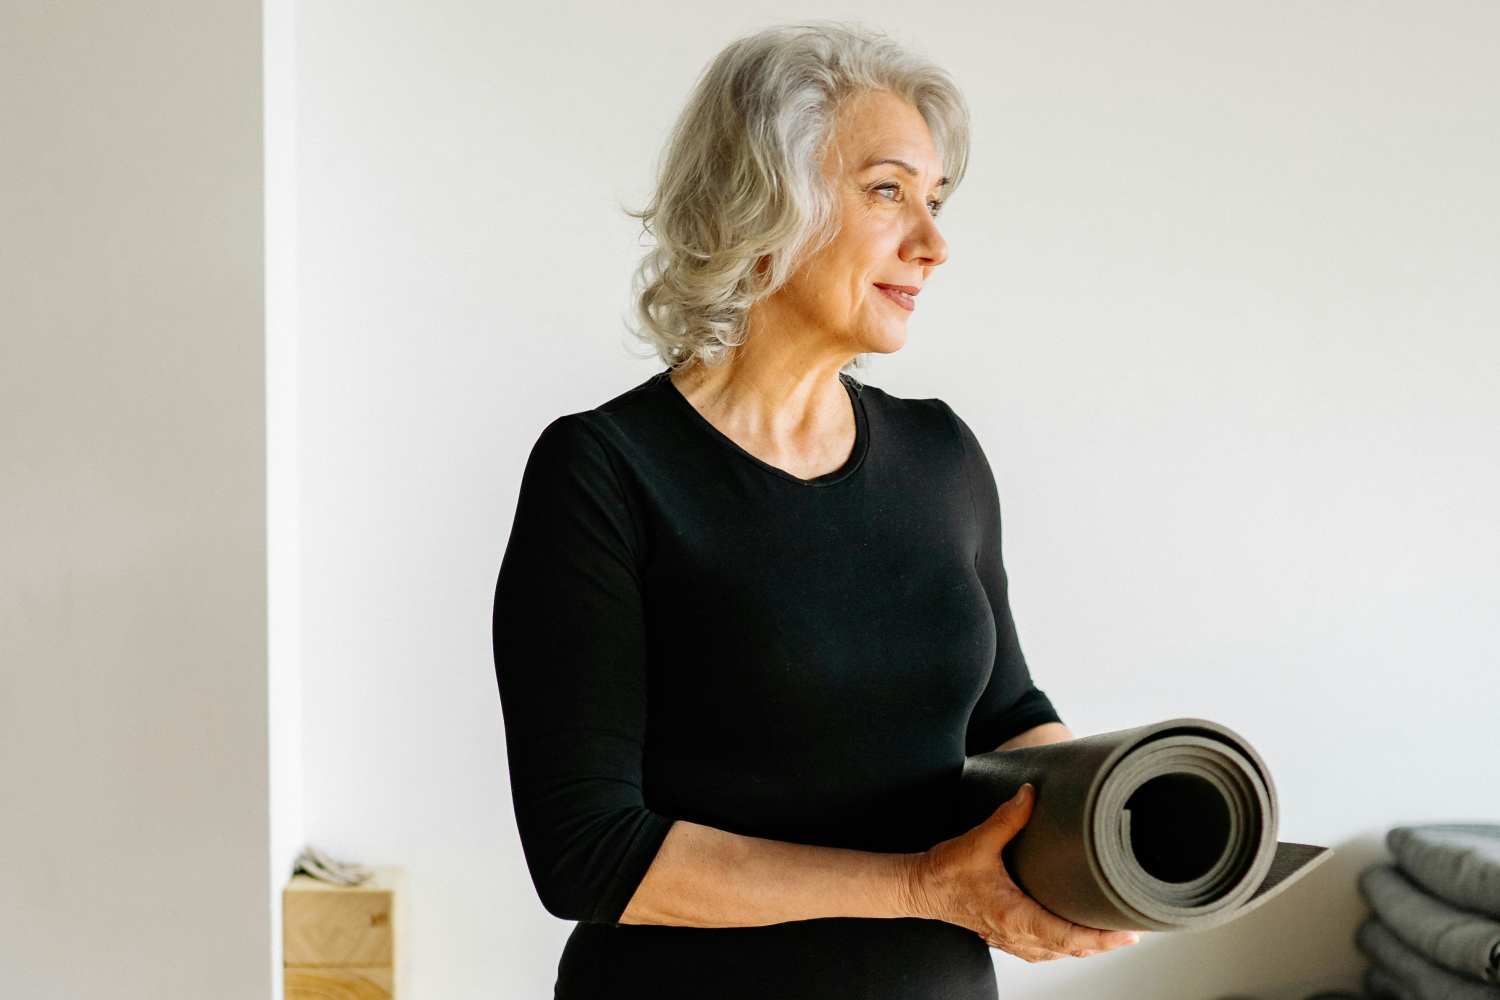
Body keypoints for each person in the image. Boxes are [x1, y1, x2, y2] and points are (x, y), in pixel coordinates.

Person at [491, 21, 1140, 999]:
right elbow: (588, 851)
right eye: (887, 192)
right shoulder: (606, 472)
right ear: (766, 200)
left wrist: (1136, 815)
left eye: (934, 199)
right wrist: (924, 886)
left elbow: (1007, 719)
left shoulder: (941, 457)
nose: (932, 242)